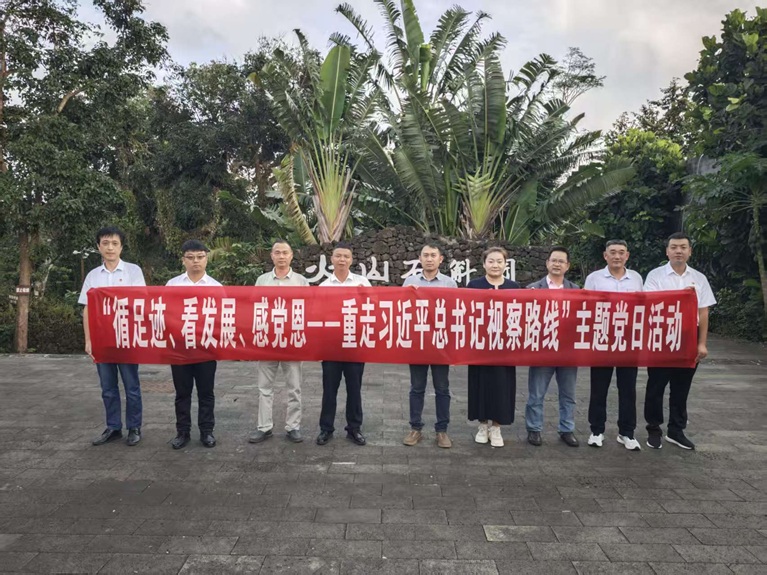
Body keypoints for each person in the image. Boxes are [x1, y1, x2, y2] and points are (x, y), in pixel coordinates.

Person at [643, 232, 716, 450]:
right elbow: (650, 304)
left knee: (681, 387)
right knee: (656, 386)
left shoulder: (699, 278)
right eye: (674, 247)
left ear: (690, 251)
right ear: (667, 251)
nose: (678, 251)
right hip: (662, 336)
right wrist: (680, 295)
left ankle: (676, 430)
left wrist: (701, 343)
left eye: (683, 247)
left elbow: (703, 312)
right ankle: (654, 428)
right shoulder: (655, 276)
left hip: (688, 336)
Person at [79, 226, 146, 447]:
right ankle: (113, 427)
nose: (110, 248)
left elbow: (140, 303)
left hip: (126, 338)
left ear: (121, 247)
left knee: (131, 386)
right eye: (105, 243)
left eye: (114, 243)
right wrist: (89, 340)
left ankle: (134, 427)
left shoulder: (133, 271)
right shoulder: (93, 276)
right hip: (102, 341)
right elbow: (87, 309)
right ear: (98, 247)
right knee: (108, 388)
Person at [583, 240, 644, 451]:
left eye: (621, 252)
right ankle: (596, 430)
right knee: (599, 387)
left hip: (628, 340)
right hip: (601, 339)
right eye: (613, 252)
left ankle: (627, 432)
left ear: (627, 255)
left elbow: (644, 306)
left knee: (628, 388)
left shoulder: (636, 278)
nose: (617, 256)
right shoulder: (594, 278)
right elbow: (585, 305)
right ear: (605, 255)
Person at [250, 241, 310, 444]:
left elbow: (308, 310)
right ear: (272, 256)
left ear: (292, 255)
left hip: (292, 342)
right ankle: (264, 427)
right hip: (267, 341)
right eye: (277, 252)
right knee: (264, 387)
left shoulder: (301, 281)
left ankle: (293, 427)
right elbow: (254, 308)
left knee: (294, 387)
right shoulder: (262, 280)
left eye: (285, 252)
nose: (281, 256)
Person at [166, 240, 222, 449]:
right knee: (182, 393)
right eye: (190, 257)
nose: (195, 261)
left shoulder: (216, 287)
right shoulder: (172, 285)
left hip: (206, 348)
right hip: (180, 349)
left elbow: (222, 318)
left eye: (200, 257)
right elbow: (165, 314)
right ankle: (182, 432)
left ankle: (207, 432)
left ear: (206, 259)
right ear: (183, 260)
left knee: (206, 392)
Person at [402, 243, 458, 448]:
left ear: (440, 259)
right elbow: (401, 309)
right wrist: (409, 294)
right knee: (417, 388)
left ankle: (442, 430)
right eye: (425, 255)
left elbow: (455, 313)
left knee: (442, 388)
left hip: (441, 344)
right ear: (420, 258)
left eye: (433, 255)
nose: (429, 259)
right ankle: (415, 428)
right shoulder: (410, 282)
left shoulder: (449, 283)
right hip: (417, 343)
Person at [316, 243, 372, 446]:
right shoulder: (324, 286)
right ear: (331, 259)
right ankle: (326, 429)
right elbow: (318, 313)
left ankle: (354, 428)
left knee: (354, 389)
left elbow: (373, 307)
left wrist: (364, 296)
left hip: (355, 345)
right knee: (329, 389)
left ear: (351, 260)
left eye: (346, 256)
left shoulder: (362, 282)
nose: (342, 259)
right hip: (331, 345)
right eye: (338, 256)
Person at [525, 246, 581, 448]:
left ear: (567, 266)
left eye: (561, 261)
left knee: (568, 394)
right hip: (543, 350)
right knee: (536, 393)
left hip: (567, 351)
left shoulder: (576, 291)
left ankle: (567, 429)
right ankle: (534, 429)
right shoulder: (533, 289)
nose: (557, 264)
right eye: (554, 260)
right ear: (547, 263)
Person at [466, 247, 520, 448]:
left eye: (499, 261)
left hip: (505, 346)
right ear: (484, 264)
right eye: (491, 261)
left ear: (506, 264)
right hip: (480, 345)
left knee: (502, 385)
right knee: (480, 383)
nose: (495, 265)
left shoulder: (513, 287)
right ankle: (482, 426)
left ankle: (496, 427)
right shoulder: (474, 285)